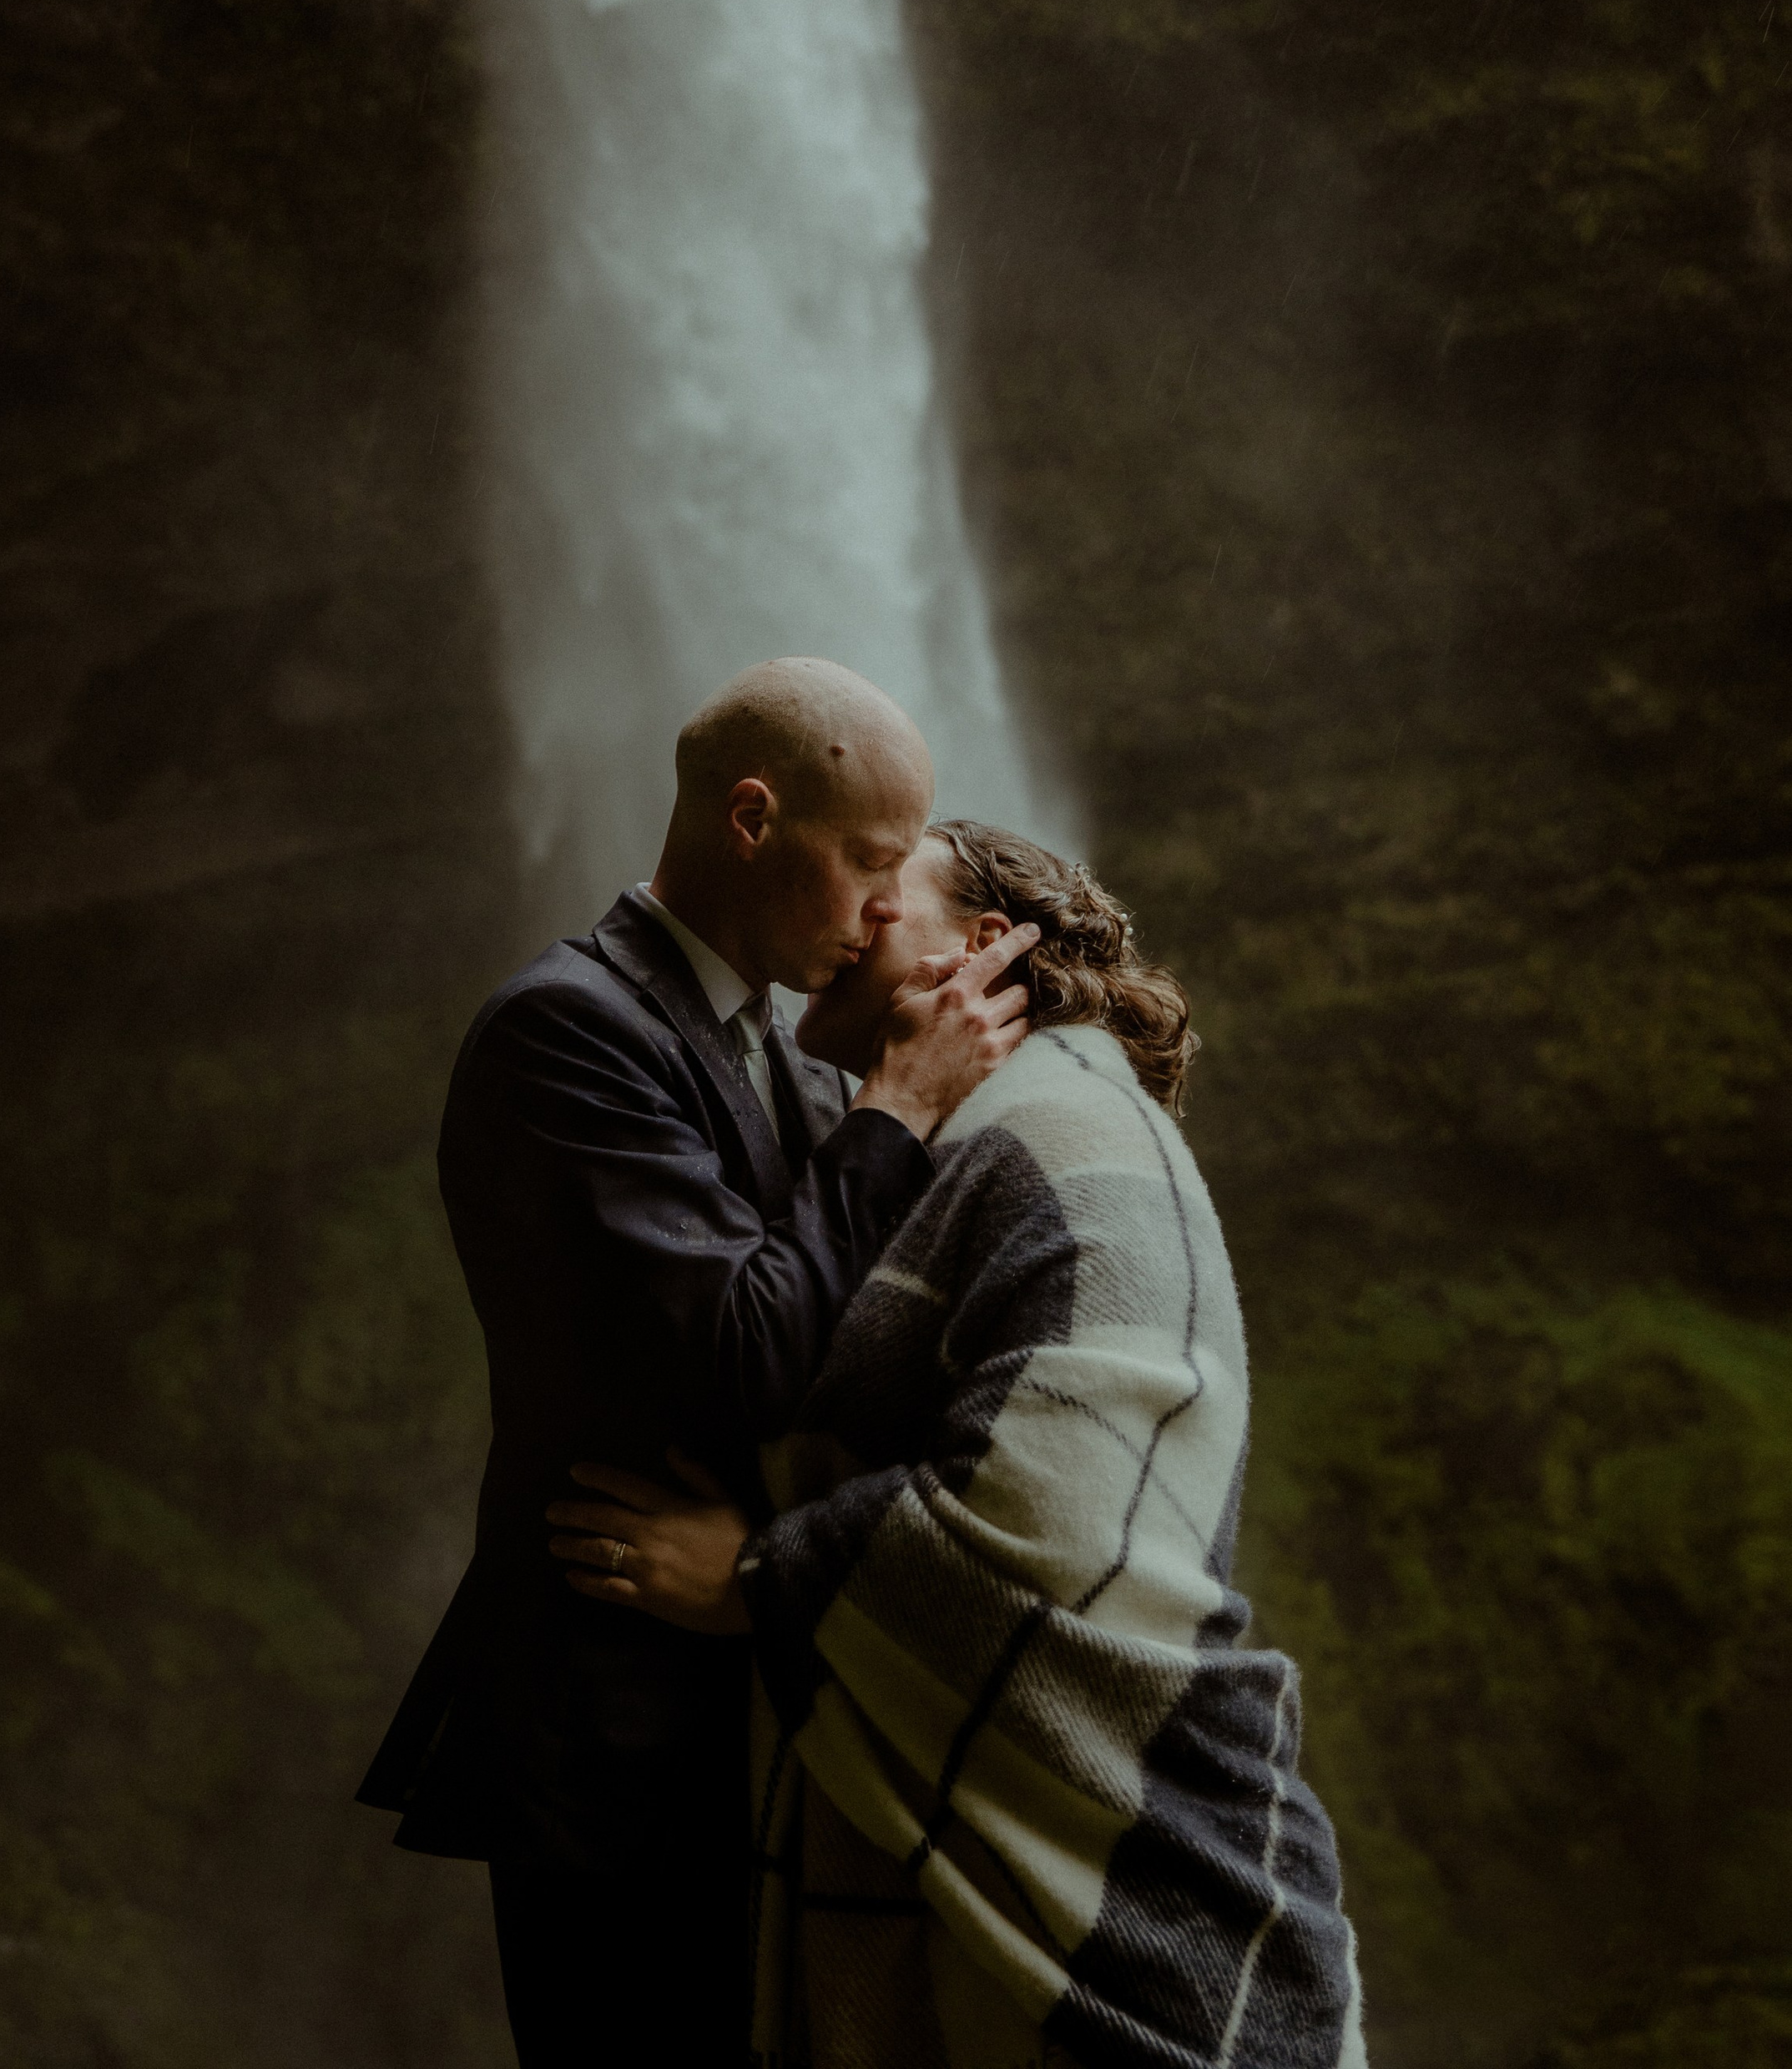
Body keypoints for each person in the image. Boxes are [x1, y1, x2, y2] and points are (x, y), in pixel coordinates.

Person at [553, 819, 1367, 2069]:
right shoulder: (940, 1142)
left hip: (1142, 1872)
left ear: (982, 946)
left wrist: (761, 1578)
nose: (852, 911)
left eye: (889, 889)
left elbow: (1060, 1523)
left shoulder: (1078, 1135)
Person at [357, 664, 1040, 2069]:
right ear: (749, 818)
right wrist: (899, 1107)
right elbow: (750, 1354)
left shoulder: (788, 1057)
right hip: (612, 1754)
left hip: (749, 1730)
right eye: (868, 861)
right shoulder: (568, 1030)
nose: (882, 910)